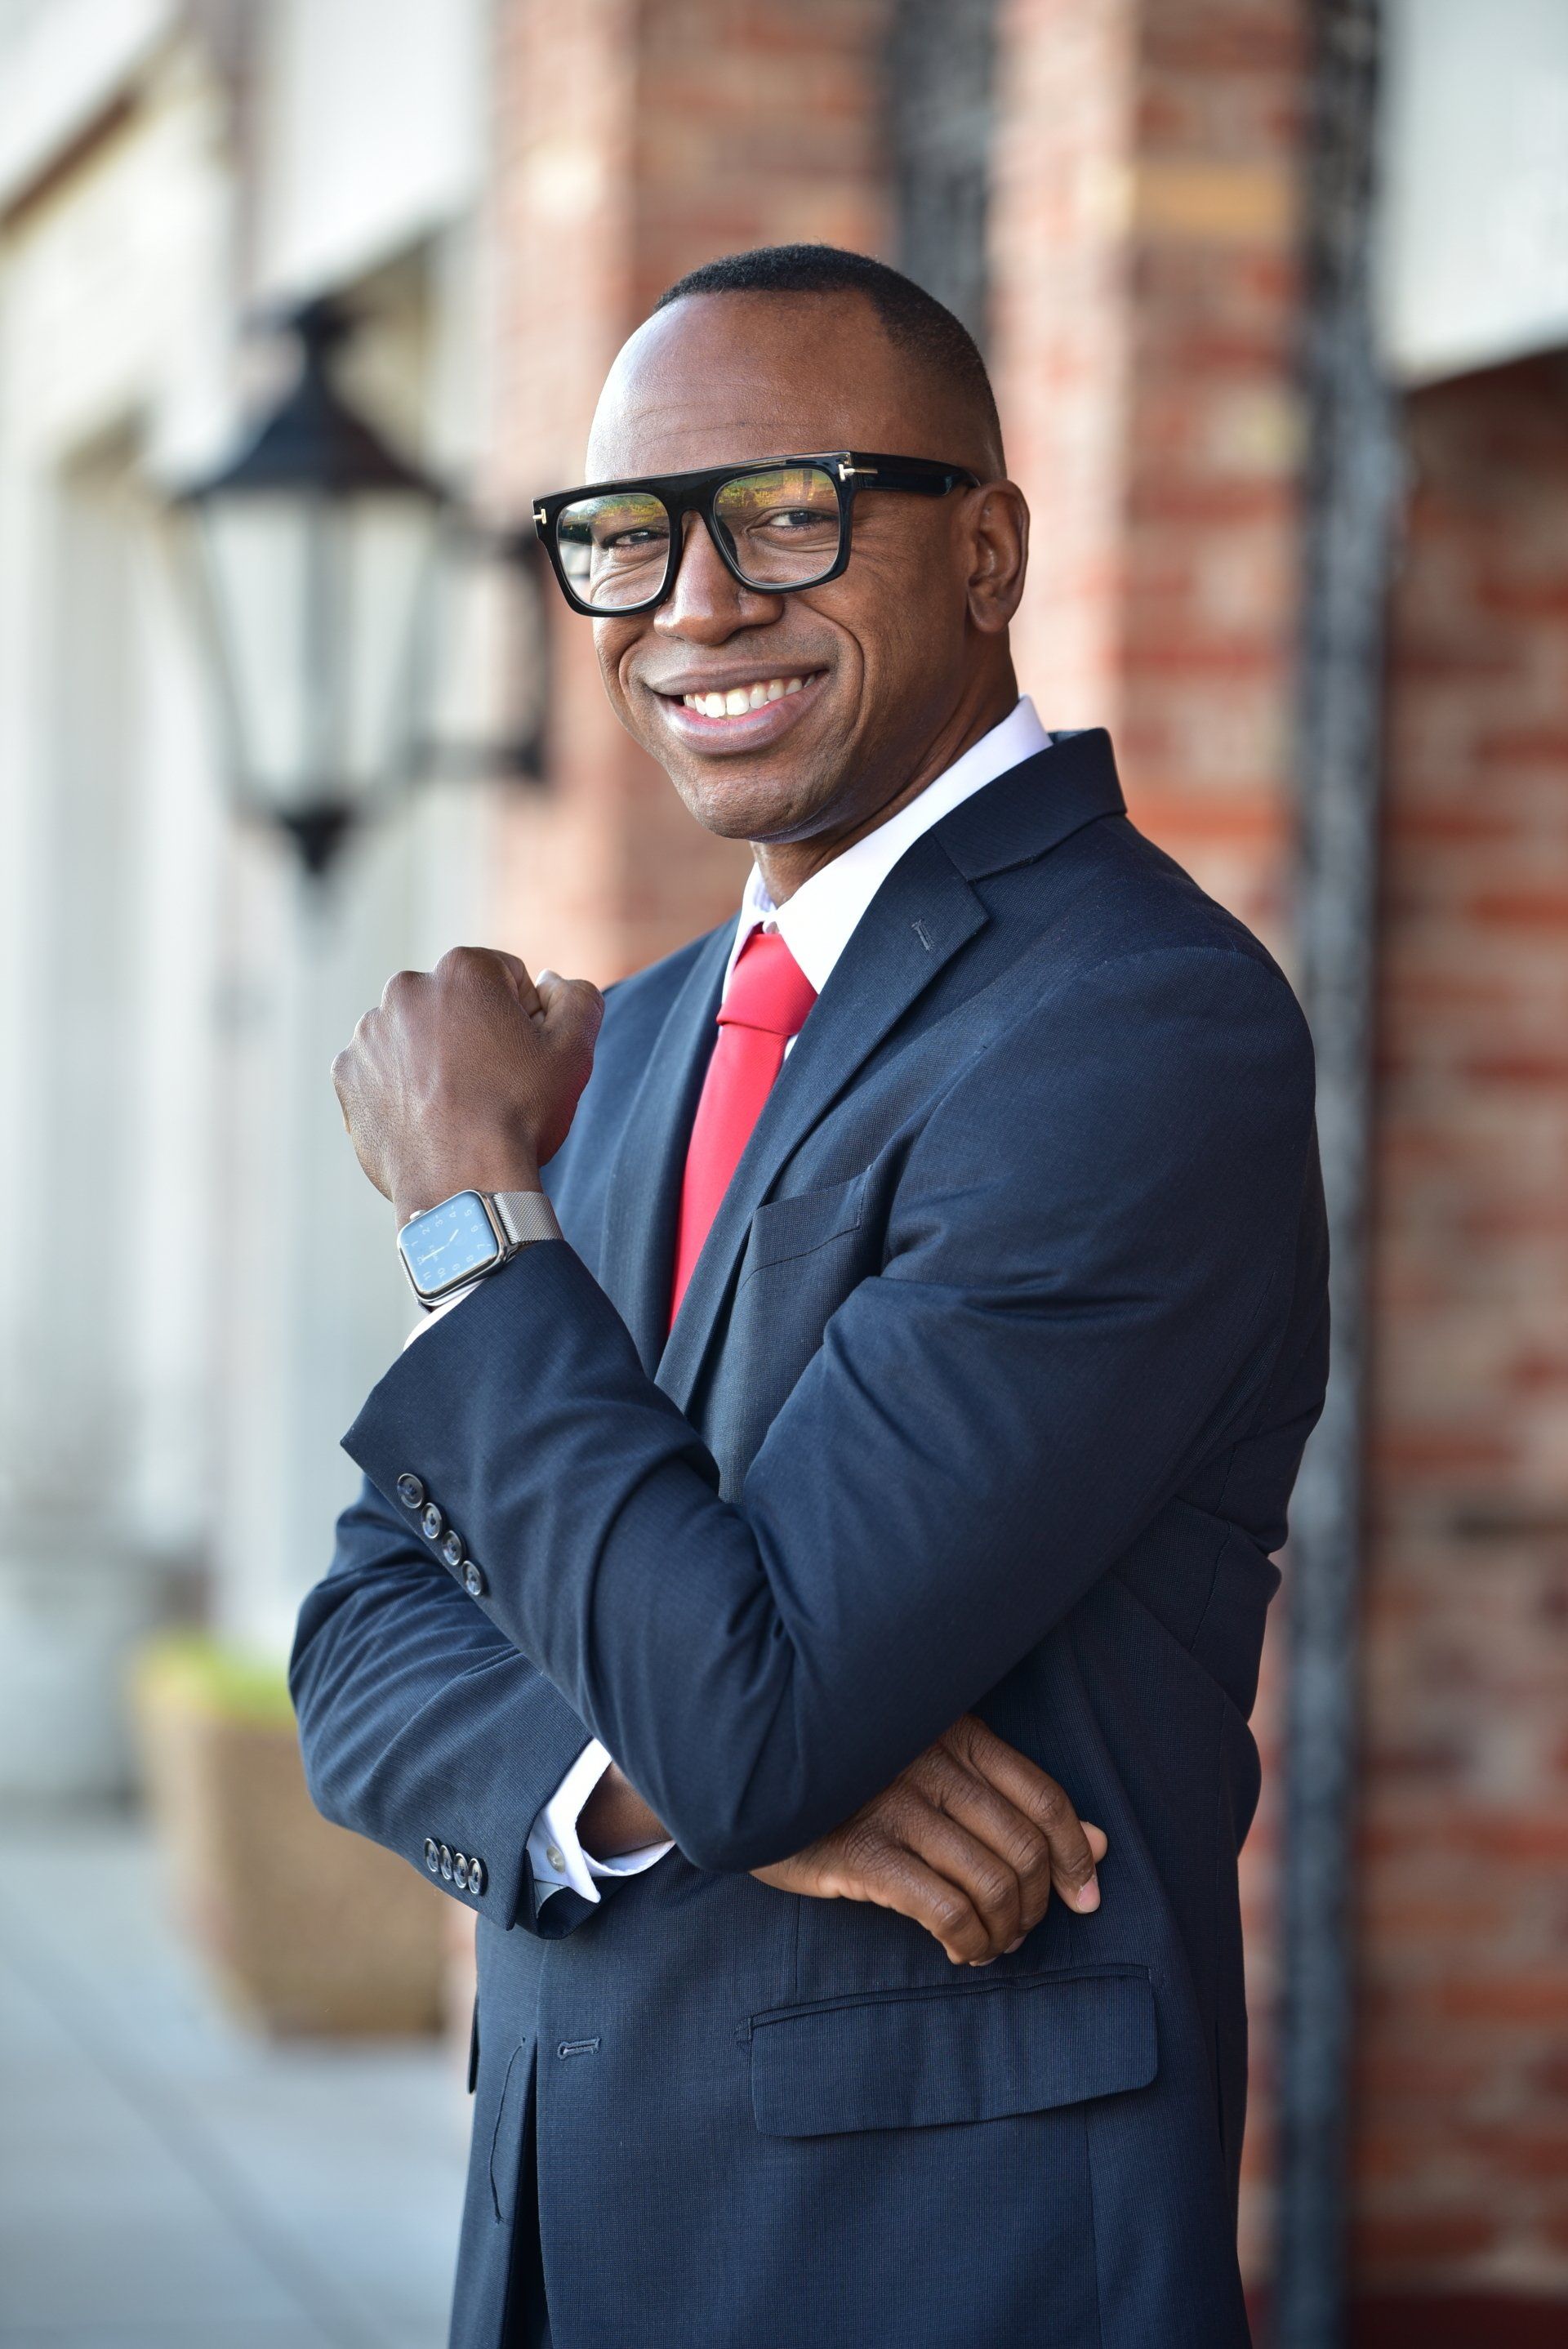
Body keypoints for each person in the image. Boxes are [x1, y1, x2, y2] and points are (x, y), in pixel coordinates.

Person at [293, 244, 1327, 2349]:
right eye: (625, 535)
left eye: (790, 510)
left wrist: (473, 1217)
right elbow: (359, 1642)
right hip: (575, 2245)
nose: (692, 604)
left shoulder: (1133, 1029)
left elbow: (753, 1713)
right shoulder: (648, 1037)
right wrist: (622, 1784)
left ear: (990, 548)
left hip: (939, 2270)